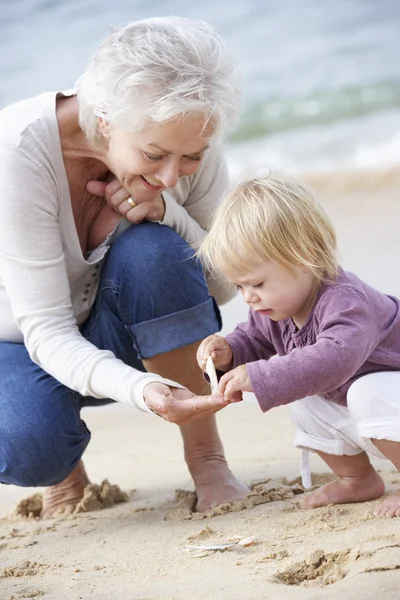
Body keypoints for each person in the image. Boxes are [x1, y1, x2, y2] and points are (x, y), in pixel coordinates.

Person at [0, 16, 251, 517]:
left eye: (190, 158)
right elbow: (46, 330)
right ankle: (67, 476)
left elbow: (226, 286)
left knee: (156, 251)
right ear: (105, 119)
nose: (169, 174)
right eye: (154, 154)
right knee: (32, 445)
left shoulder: (188, 136)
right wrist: (144, 389)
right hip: (18, 343)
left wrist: (169, 216)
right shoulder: (17, 151)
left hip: (116, 330)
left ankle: (208, 460)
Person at [197, 172, 400, 518]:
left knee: (359, 391)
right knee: (302, 397)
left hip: (386, 397)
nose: (248, 297)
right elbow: (253, 338)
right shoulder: (276, 308)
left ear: (304, 257)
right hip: (375, 414)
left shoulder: (346, 301)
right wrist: (228, 353)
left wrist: (260, 375)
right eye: (239, 286)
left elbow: (333, 360)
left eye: (257, 283)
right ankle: (357, 478)